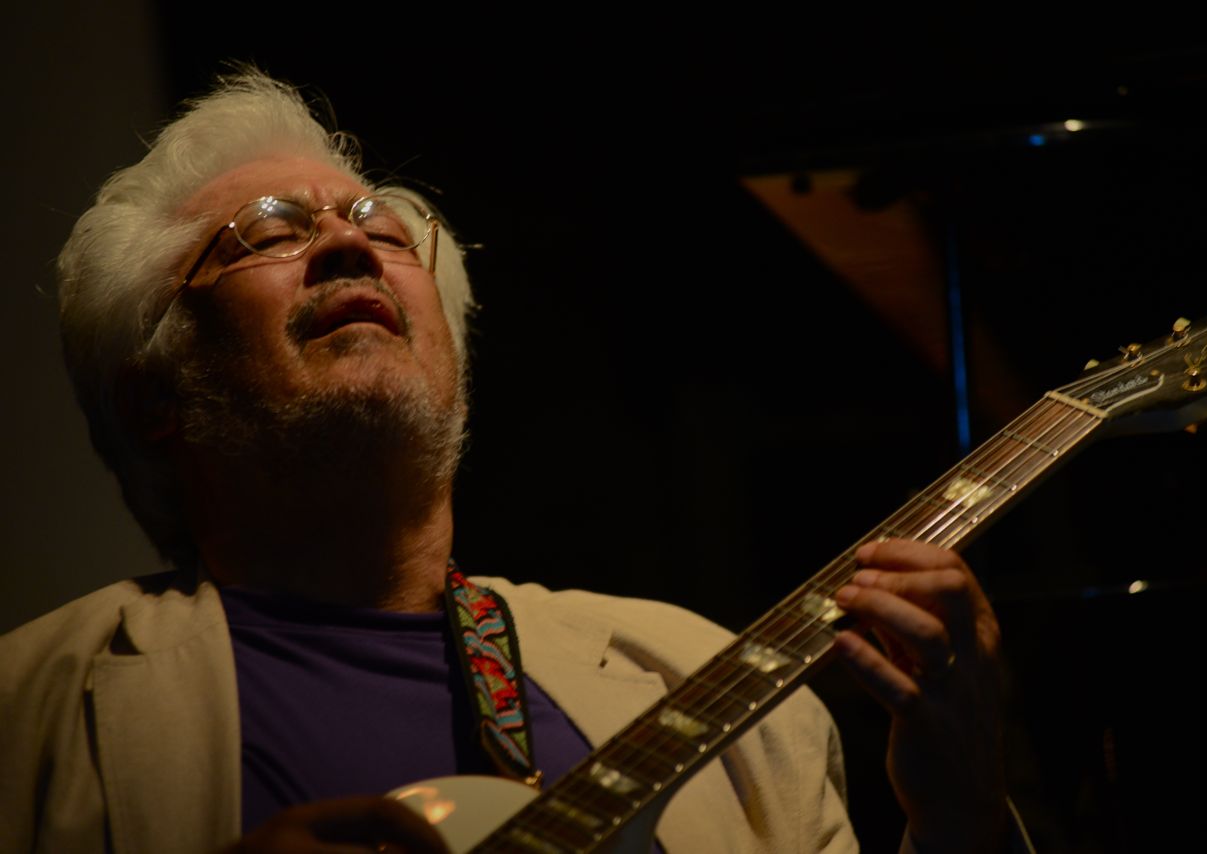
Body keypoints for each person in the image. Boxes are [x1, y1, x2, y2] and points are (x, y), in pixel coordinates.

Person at [0, 70, 1022, 853]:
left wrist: (961, 812)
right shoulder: (23, 712)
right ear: (152, 396)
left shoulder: (712, 687)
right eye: (268, 230)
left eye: (380, 226)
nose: (348, 245)